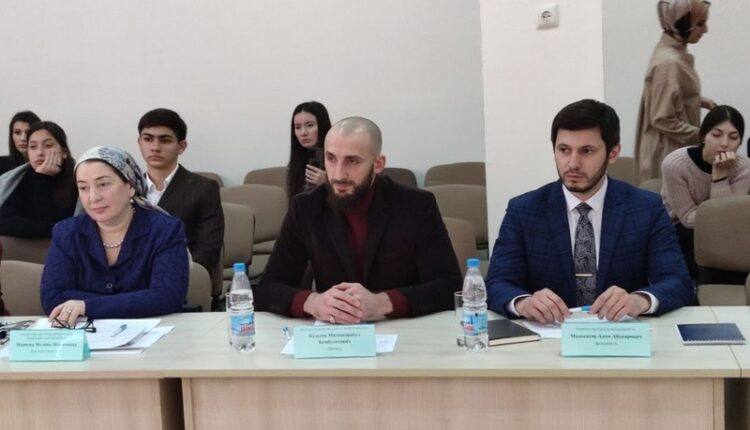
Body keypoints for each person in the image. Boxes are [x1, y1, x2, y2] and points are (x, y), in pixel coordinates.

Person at [486, 99, 693, 324]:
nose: (572, 163)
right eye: (564, 150)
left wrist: (639, 300)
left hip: (620, 333)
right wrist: (523, 303)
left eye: (586, 151)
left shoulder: (646, 207)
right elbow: (497, 283)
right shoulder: (524, 210)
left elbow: (678, 281)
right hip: (549, 334)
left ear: (613, 153)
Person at [256, 116, 461, 322]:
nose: (338, 174)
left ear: (378, 164)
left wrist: (382, 303)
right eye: (331, 159)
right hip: (335, 332)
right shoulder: (305, 207)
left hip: (403, 328)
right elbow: (268, 288)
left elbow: (449, 286)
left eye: (353, 161)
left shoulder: (416, 205)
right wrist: (314, 303)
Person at [40, 146, 189, 324]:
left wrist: (87, 306)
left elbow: (167, 296)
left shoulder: (164, 230)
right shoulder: (66, 233)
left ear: (130, 186)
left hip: (157, 332)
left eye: (103, 184)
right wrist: (133, 301)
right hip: (85, 336)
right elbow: (53, 297)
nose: (93, 197)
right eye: (83, 188)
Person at [661, 105, 750, 279]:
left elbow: (728, 218)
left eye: (733, 137)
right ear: (703, 136)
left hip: (725, 233)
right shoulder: (675, 164)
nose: (724, 143)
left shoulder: (744, 167)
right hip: (680, 229)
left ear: (740, 142)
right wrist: (719, 177)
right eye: (716, 135)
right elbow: (687, 218)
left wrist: (720, 177)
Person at [136, 108, 223, 280]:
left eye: (165, 140)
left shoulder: (204, 188)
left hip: (180, 277)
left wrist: (175, 276)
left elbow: (207, 250)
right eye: (148, 139)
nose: (155, 147)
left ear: (181, 146)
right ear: (139, 143)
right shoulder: (127, 189)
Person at [635, 0, 714, 183]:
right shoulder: (669, 62)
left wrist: (699, 100)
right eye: (700, 23)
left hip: (672, 150)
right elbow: (662, 118)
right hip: (667, 153)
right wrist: (703, 136)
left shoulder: (673, 53)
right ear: (681, 23)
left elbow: (671, 95)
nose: (705, 30)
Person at [0, 121, 77, 238]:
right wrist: (41, 178)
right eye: (33, 147)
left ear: (64, 152)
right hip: (25, 248)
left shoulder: (78, 180)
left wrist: (44, 180)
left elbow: (68, 222)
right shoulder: (19, 178)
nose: (40, 152)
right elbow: (4, 222)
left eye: (48, 145)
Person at [286, 101, 332, 202]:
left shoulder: (338, 159)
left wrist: (329, 184)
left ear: (322, 126)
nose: (303, 133)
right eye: (298, 127)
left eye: (310, 125)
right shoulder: (295, 162)